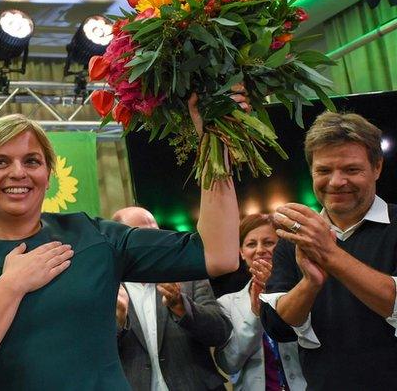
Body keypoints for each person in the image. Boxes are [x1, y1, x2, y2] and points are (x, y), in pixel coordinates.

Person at [0, 110, 241, 391]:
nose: (17, 172)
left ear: (48, 175)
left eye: (31, 161)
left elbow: (218, 254)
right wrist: (11, 286)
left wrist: (212, 138)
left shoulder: (94, 237)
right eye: (0, 162)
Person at [260, 111, 397, 390]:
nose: (336, 182)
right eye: (324, 170)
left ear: (377, 168)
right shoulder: (293, 239)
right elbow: (278, 326)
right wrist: (310, 284)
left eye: (351, 169)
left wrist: (330, 254)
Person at [113, 206, 231, 391]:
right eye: (141, 236)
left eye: (155, 234)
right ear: (120, 241)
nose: (152, 243)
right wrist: (117, 324)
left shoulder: (187, 273)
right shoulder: (106, 287)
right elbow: (90, 355)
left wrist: (182, 307)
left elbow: (220, 333)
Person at [214, 214, 305, 390]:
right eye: (251, 244)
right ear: (241, 252)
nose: (260, 250)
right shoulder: (226, 304)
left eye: (269, 242)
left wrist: (275, 292)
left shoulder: (302, 291)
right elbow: (229, 364)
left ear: (282, 248)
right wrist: (255, 315)